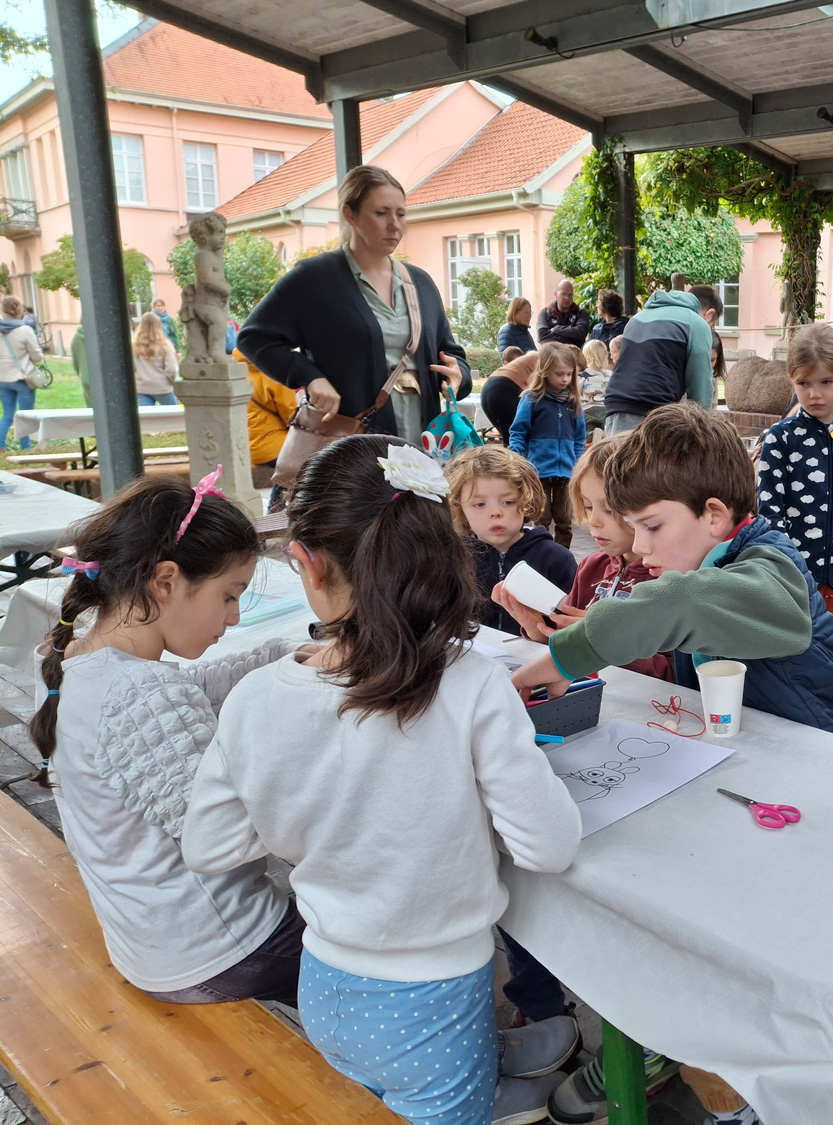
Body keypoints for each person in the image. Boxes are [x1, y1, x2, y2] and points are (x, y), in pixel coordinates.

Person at [182, 437, 582, 1125]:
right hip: (438, 995)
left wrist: (313, 809)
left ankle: (499, 1063)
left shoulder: (254, 697)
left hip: (327, 986)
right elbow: (550, 846)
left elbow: (210, 845)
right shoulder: (475, 683)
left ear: (303, 560)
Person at [28, 473, 308, 1006]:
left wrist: (284, 657)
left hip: (153, 940)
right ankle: (470, 1067)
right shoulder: (140, 691)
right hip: (223, 949)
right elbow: (234, 835)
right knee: (382, 948)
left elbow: (183, 692)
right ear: (165, 581)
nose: (234, 616)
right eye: (229, 595)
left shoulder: (72, 660)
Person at [502, 403, 833, 750]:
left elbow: (680, 602)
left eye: (652, 526)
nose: (642, 545)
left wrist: (566, 656)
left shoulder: (771, 565)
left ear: (714, 515)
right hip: (764, 752)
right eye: (634, 528)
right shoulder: (701, 563)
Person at [237, 165, 471, 437]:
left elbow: (450, 353)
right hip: (352, 444)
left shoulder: (420, 283)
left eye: (401, 214)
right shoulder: (314, 278)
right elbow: (254, 338)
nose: (395, 225)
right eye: (381, 213)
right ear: (351, 214)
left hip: (423, 442)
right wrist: (309, 377)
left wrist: (458, 375)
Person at [756, 324, 833, 674]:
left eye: (826, 382)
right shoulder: (780, 439)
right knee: (795, 668)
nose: (814, 394)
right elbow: (770, 517)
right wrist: (781, 573)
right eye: (804, 383)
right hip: (795, 582)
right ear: (791, 380)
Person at [445, 444, 577, 635]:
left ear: (526, 501)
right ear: (460, 509)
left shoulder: (556, 558)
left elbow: (571, 624)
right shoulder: (455, 557)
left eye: (508, 502)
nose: (496, 512)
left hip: (539, 657)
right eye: (480, 504)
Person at [601, 287, 714, 435]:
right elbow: (700, 383)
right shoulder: (696, 323)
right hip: (655, 408)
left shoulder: (636, 319)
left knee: (617, 457)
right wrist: (703, 428)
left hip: (615, 402)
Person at [509, 342, 586, 549]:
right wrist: (515, 459)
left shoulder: (573, 402)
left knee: (564, 519)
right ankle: (540, 553)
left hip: (567, 473)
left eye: (569, 374)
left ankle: (562, 556)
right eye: (559, 374)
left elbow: (579, 438)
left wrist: (579, 463)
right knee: (541, 518)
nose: (565, 379)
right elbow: (518, 431)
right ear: (544, 372)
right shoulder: (531, 399)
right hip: (539, 471)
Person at [235, 348, 299, 495]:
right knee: (305, 465)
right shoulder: (275, 376)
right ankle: (276, 509)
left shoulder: (239, 372)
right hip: (274, 447)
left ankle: (275, 508)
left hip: (248, 446)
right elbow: (291, 417)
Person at [0, 294, 44, 450]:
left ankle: (0, 445)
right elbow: (36, 355)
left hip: (2, 379)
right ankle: (26, 446)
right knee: (26, 414)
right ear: (19, 309)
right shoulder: (24, 330)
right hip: (22, 377)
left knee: (7, 414)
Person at [482, 352, 537, 441]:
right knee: (518, 439)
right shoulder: (551, 360)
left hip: (489, 387)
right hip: (506, 388)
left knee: (510, 439)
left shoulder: (536, 357)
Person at [132, 311, 181, 405]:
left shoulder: (134, 345)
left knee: (146, 418)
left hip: (141, 387)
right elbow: (171, 370)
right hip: (162, 387)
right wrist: (172, 382)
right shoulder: (165, 346)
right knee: (173, 416)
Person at [535, 279, 590, 347]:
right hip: (552, 355)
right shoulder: (545, 313)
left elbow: (581, 333)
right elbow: (542, 336)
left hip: (574, 355)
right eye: (563, 294)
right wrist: (571, 340)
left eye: (570, 295)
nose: (567, 298)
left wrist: (556, 329)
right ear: (555, 294)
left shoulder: (581, 313)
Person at [70, 323, 91, 408]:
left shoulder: (76, 337)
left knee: (92, 413)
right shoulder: (103, 334)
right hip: (106, 377)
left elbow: (75, 362)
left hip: (86, 377)